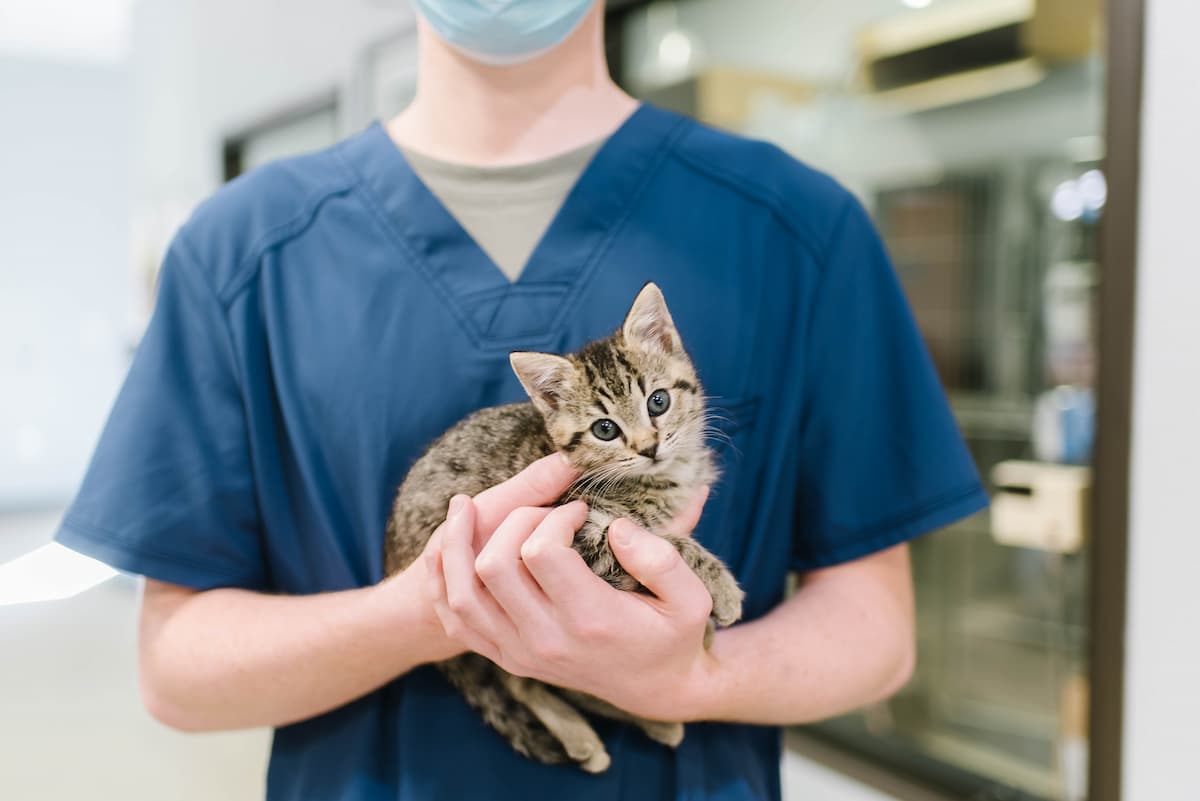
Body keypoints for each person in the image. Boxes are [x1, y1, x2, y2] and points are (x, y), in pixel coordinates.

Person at [56, 1, 988, 799]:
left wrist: (693, 673)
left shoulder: (798, 229)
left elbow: (877, 633)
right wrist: (428, 609)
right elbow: (178, 670)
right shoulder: (243, 252)